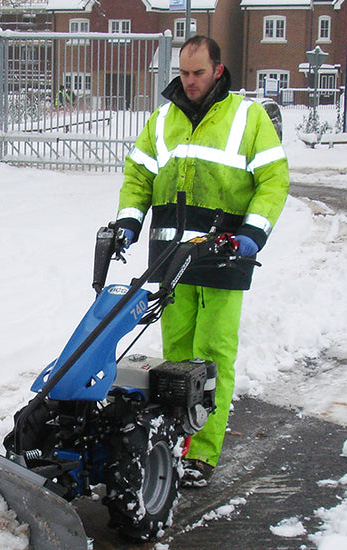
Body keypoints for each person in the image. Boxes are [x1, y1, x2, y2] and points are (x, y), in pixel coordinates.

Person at [112, 35, 289, 487]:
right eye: (184, 73)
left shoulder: (248, 119)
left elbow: (273, 180)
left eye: (198, 73)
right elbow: (138, 176)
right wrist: (128, 222)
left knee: (212, 356)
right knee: (176, 358)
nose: (189, 82)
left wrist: (252, 235)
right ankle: (174, 441)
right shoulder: (162, 120)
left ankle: (203, 453)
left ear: (218, 69)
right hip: (172, 260)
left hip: (224, 256)